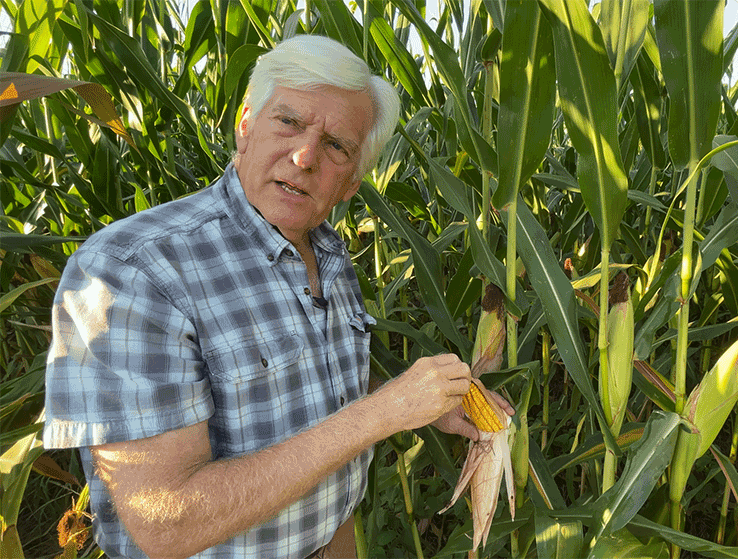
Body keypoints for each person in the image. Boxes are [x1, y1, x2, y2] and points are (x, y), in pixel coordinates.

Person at [43, 35, 510, 559]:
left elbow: (306, 387)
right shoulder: (135, 271)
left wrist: (424, 404)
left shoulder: (328, 255)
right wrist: (385, 412)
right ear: (243, 125)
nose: (306, 156)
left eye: (337, 147)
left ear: (352, 183)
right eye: (288, 122)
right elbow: (166, 523)